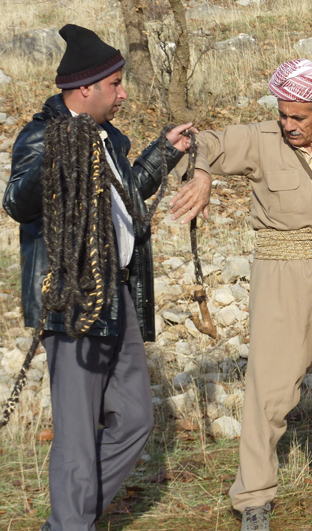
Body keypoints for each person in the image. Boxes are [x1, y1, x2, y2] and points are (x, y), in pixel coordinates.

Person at [3, 24, 210, 531]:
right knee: (76, 434)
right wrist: (61, 146)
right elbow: (17, 203)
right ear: (85, 89)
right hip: (73, 301)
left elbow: (127, 197)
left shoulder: (110, 138)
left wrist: (165, 151)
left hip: (119, 295)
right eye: (116, 85)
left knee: (136, 420)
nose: (122, 94)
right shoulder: (41, 133)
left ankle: (71, 520)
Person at [170, 59, 312, 531]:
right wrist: (201, 173)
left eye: (299, 117)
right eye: (283, 114)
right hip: (279, 273)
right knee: (268, 388)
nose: (288, 125)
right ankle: (254, 498)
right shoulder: (260, 138)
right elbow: (198, 143)